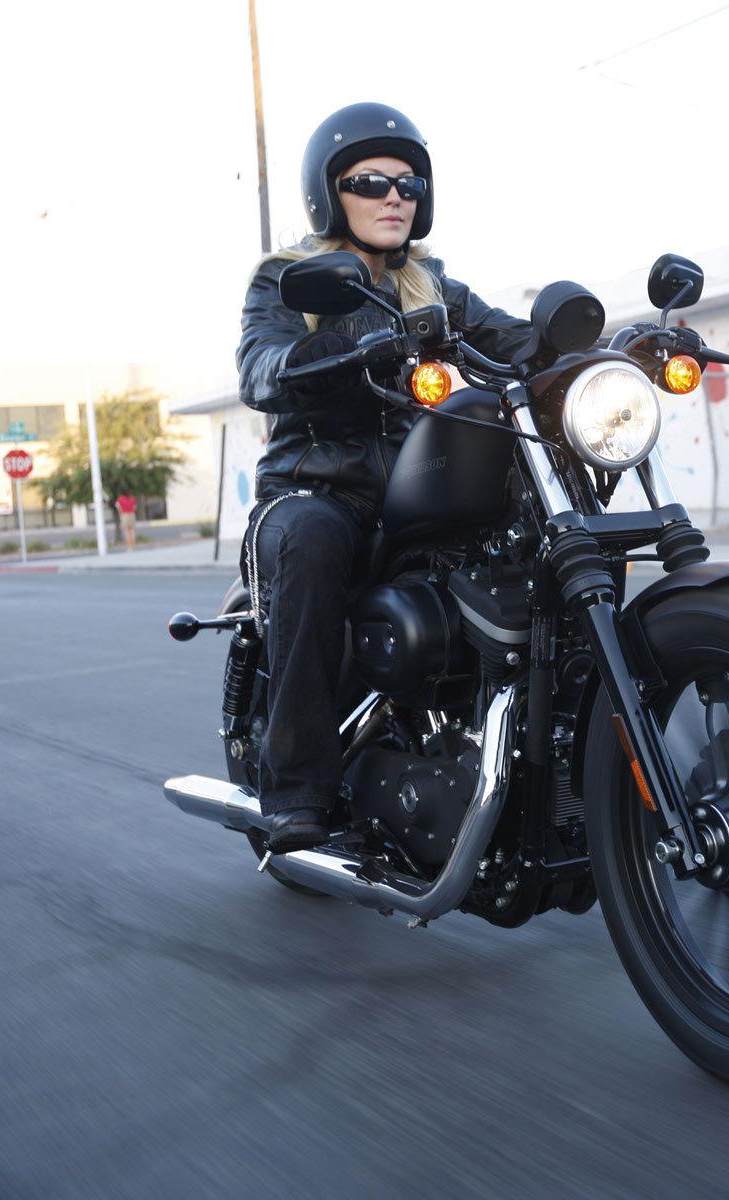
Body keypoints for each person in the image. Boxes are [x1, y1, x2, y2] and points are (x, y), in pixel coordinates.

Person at [236, 101, 533, 852]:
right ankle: (296, 787)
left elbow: (513, 339)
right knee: (311, 539)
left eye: (409, 184)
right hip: (313, 491)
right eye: (371, 182)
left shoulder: (433, 289)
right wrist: (344, 348)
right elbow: (261, 368)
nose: (394, 196)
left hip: (411, 497)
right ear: (329, 192)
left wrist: (601, 344)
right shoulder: (287, 280)